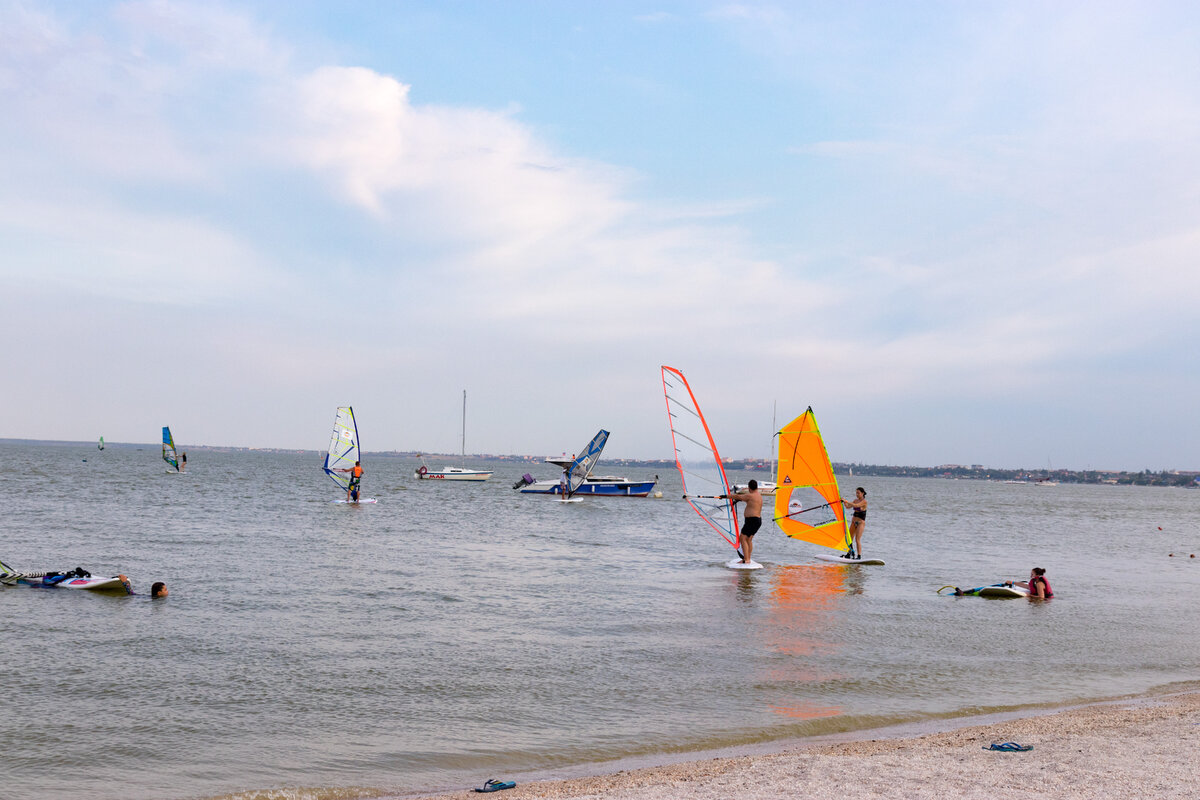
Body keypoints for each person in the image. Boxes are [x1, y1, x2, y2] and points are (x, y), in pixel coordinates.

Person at [727, 479, 763, 564]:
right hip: (757, 520)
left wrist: (725, 496)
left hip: (751, 520)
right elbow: (743, 499)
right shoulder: (758, 495)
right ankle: (748, 559)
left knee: (743, 538)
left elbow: (738, 497)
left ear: (749, 487)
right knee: (749, 540)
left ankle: (746, 560)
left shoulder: (750, 496)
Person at [841, 487, 867, 559]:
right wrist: (843, 502)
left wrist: (846, 501)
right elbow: (847, 507)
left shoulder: (864, 502)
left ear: (862, 493)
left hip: (860, 523)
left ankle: (859, 556)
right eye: (856, 493)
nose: (857, 494)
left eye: (858, 493)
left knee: (857, 539)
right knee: (849, 539)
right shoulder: (855, 500)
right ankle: (849, 553)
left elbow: (856, 506)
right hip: (853, 522)